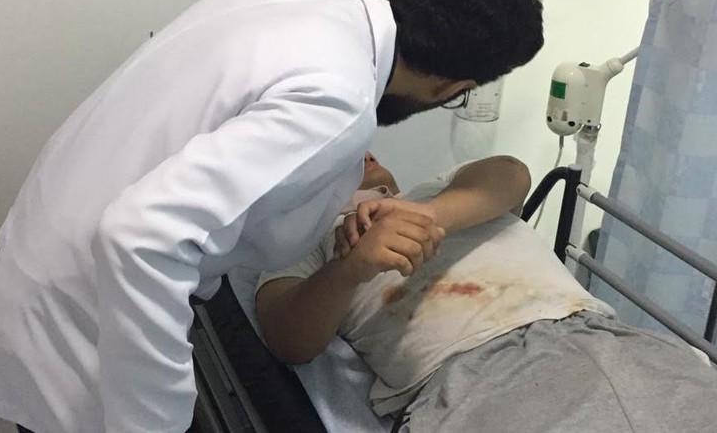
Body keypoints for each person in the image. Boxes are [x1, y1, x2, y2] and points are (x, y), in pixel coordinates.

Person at [0, 0, 544, 433]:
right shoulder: (338, 99)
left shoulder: (276, 0)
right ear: (453, 86)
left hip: (42, 262)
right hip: (83, 314)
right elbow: (142, 235)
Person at [255, 153, 717, 432]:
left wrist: (426, 214)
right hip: (473, 380)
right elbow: (288, 339)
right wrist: (350, 268)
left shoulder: (441, 191)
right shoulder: (310, 247)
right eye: (338, 156)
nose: (364, 152)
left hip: (600, 336)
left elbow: (513, 174)